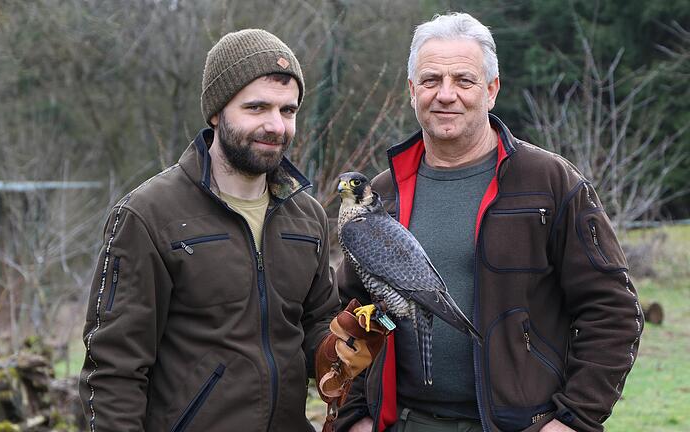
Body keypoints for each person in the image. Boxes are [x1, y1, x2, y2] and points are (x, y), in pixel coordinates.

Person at [335, 13, 643, 432]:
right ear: (411, 91)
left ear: (492, 89)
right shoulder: (382, 193)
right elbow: (352, 313)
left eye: (464, 80)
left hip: (520, 425)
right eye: (430, 81)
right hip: (405, 422)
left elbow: (614, 311)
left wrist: (574, 419)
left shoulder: (549, 183)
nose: (446, 95)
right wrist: (357, 416)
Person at [79, 29, 372, 431]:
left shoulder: (308, 216)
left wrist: (336, 349)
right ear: (216, 112)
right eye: (257, 108)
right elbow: (112, 371)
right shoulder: (149, 216)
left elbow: (314, 324)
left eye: (288, 111)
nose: (276, 126)